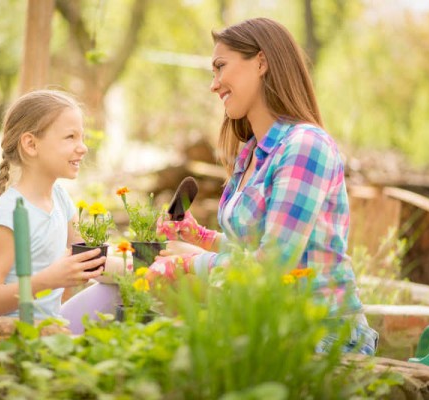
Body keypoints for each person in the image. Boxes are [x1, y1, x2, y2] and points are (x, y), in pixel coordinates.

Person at [153, 18, 378, 355]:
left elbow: (272, 268)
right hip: (267, 325)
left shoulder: (305, 146)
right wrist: (203, 238)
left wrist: (190, 263)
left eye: (220, 67)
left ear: (261, 62)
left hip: (323, 337)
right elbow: (259, 250)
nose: (214, 85)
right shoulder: (252, 154)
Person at [0, 89, 121, 334]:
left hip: (54, 325)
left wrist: (149, 267)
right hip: (16, 333)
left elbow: (92, 260)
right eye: (70, 137)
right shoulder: (10, 213)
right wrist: (47, 280)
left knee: (121, 287)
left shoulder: (60, 198)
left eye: (82, 137)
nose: (83, 147)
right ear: (31, 144)